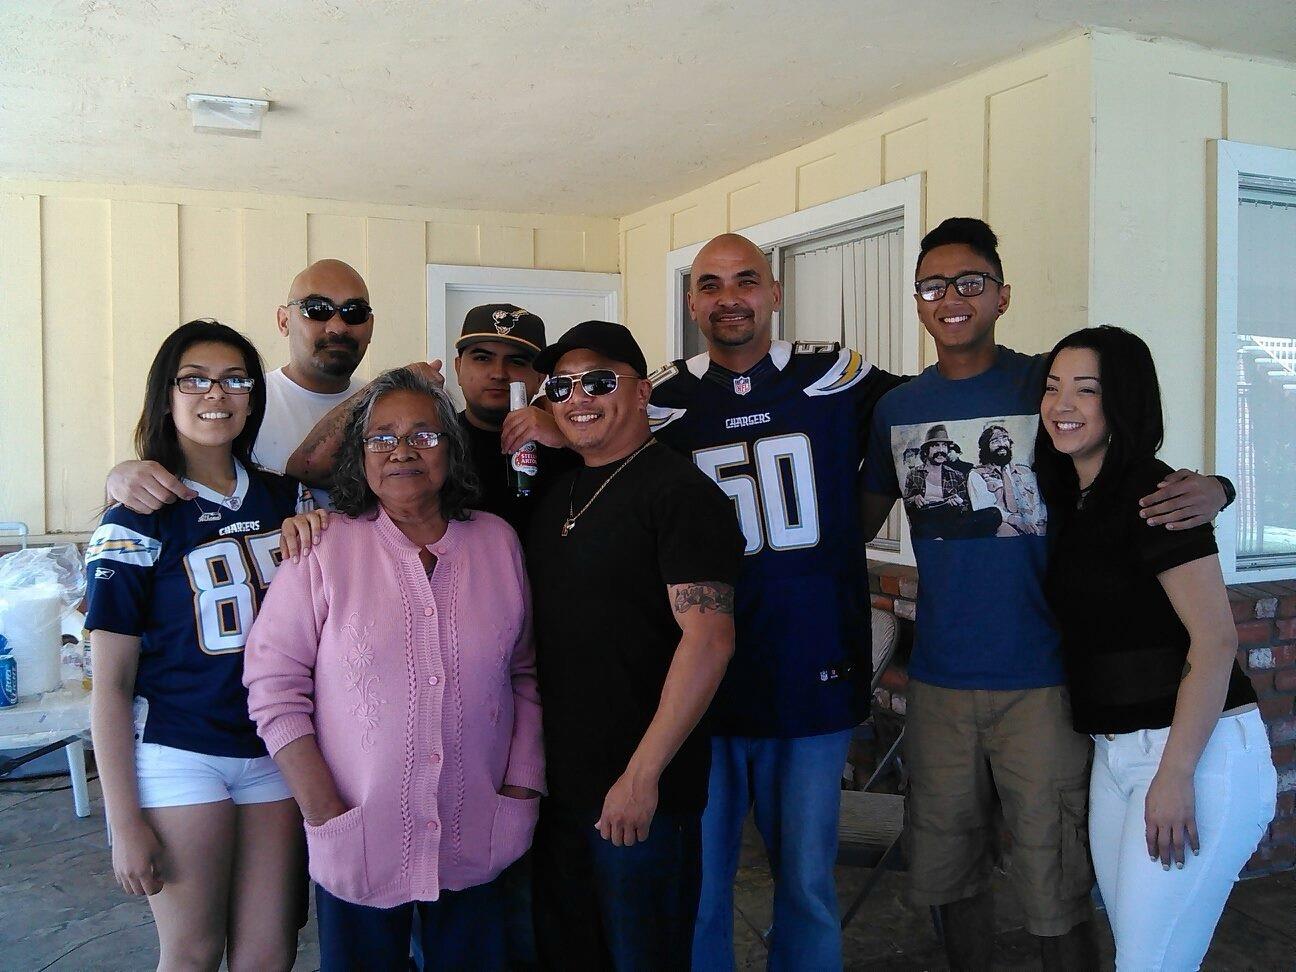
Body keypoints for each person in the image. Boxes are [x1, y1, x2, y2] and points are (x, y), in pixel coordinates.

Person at [860, 217, 1234, 970]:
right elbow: (853, 527)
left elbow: (1132, 458)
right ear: (919, 302)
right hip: (939, 682)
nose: (952, 298)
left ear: (1002, 295)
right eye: (934, 286)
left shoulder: (1046, 382)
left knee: (1053, 882)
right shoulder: (897, 410)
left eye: (971, 282)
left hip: (1048, 684)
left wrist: (1219, 487)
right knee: (948, 875)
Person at [648, 233, 904, 971]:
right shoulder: (660, 398)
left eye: (746, 281)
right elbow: (576, 430)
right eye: (710, 285)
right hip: (701, 683)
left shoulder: (835, 375)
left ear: (775, 292)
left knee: (807, 885)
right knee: (700, 886)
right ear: (692, 300)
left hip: (810, 672)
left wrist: (859, 517)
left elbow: (931, 408)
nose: (730, 298)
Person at [243, 368, 543, 972]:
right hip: (357, 831)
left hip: (478, 825)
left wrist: (523, 782)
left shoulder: (497, 542)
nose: (402, 450)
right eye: (381, 437)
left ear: (451, 450)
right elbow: (274, 686)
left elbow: (524, 674)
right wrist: (322, 805)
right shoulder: (323, 547)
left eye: (424, 435)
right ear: (359, 456)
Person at [1037, 325, 1276, 968]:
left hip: (1197, 753)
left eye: (1087, 390)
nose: (1063, 404)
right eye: (1053, 387)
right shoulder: (1071, 495)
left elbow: (1215, 636)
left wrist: (1174, 775)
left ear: (1124, 402)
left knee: (1149, 963)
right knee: (1147, 954)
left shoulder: (1155, 492)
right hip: (1115, 757)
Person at [85, 319, 306, 971]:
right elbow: (112, 686)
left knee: (269, 955)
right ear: (166, 394)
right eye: (196, 379)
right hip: (182, 752)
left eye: (236, 378)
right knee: (192, 952)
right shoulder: (134, 517)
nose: (218, 393)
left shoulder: (287, 497)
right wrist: (122, 823)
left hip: (275, 748)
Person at [524, 321, 744, 970]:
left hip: (639, 796)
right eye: (559, 387)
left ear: (642, 391)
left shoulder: (680, 493)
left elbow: (710, 638)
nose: (577, 397)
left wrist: (641, 778)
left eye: (598, 381)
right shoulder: (556, 492)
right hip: (558, 790)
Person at [103, 259, 442, 513]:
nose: (338, 325)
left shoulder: (392, 413)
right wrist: (118, 478)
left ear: (369, 326)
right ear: (284, 321)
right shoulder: (237, 403)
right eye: (317, 310)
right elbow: (163, 474)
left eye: (354, 313)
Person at [968, 422, 1045, 536]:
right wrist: (1015, 520)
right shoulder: (976, 475)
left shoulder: (1025, 471)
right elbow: (986, 510)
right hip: (1003, 524)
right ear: (985, 447)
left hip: (1032, 522)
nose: (1002, 444)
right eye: (995, 441)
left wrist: (1035, 522)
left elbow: (1038, 502)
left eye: (1005, 439)